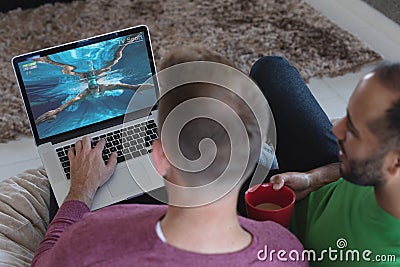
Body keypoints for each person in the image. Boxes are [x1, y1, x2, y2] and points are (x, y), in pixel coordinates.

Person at [31, 48, 307, 266]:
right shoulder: (284, 249)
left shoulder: (92, 238)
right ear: (261, 151)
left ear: (160, 156)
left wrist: (80, 191)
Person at [249, 56, 400, 266]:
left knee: (205, 174)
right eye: (347, 115)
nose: (336, 129)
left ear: (395, 163)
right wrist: (315, 179)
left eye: (353, 131)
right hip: (327, 176)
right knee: (271, 70)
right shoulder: (374, 167)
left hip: (285, 238)